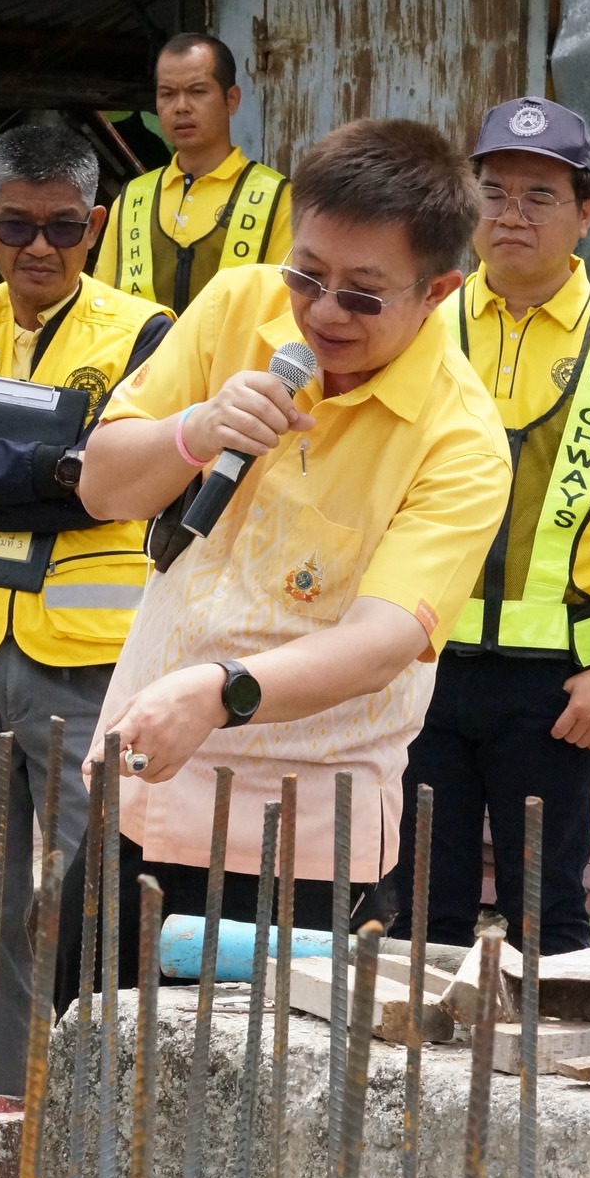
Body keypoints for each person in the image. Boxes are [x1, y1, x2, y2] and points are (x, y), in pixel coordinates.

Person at [60, 117, 512, 997]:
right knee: (88, 1054)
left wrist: (219, 692)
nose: (324, 311)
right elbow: (103, 487)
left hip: (305, 838)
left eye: (364, 294)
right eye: (307, 275)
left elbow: (382, 642)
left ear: (438, 290)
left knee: (265, 1078)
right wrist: (195, 430)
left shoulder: (461, 438)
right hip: (149, 788)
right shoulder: (237, 304)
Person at [0, 124, 173, 1094]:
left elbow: (128, 482)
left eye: (62, 226)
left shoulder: (148, 335)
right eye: (16, 226)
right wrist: (64, 464)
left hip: (88, 656)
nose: (38, 247)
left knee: (101, 900)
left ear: (95, 225)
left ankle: (99, 1111)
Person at [387, 98, 590, 955]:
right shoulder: (422, 322)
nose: (511, 215)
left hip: (556, 687)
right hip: (418, 662)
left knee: (548, 913)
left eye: (539, 196)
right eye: (493, 193)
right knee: (419, 909)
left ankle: (541, 1046)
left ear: (585, 213)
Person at [94, 33, 292, 315]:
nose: (181, 106)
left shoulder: (277, 198)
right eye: (167, 94)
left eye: (197, 91)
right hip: (145, 347)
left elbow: (286, 312)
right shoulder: (131, 200)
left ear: (232, 99)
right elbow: (103, 306)